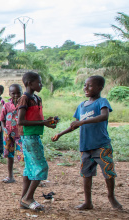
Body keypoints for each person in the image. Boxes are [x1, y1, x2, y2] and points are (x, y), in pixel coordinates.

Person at [52, 76, 122, 211]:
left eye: (90, 85)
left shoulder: (102, 102)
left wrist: (83, 122)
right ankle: (88, 202)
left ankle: (111, 196)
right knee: (86, 174)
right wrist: (60, 134)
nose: (86, 88)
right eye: (85, 85)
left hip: (101, 145)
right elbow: (75, 124)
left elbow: (104, 116)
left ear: (100, 88)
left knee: (108, 172)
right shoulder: (82, 106)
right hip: (86, 147)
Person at [17, 72, 57, 211]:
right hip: (28, 136)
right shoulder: (24, 99)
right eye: (38, 82)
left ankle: (24, 200)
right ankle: (28, 198)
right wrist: (42, 122)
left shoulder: (37, 98)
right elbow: (21, 121)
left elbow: (35, 118)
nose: (41, 85)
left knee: (29, 168)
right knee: (41, 167)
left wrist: (47, 122)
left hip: (34, 135)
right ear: (29, 83)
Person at [0, 84, 24, 183]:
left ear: (22, 93)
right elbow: (2, 119)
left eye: (18, 93)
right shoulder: (6, 105)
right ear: (9, 94)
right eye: (13, 93)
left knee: (24, 155)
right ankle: (10, 176)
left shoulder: (23, 105)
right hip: (8, 134)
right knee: (10, 156)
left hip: (20, 134)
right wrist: (4, 129)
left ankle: (31, 177)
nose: (16, 95)